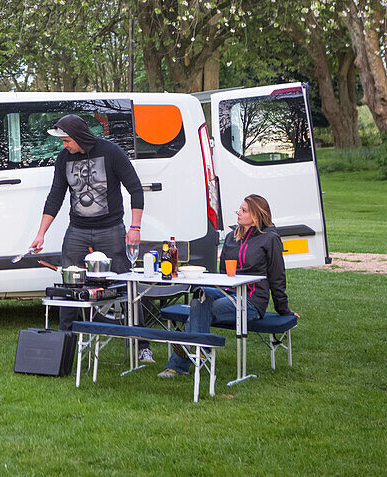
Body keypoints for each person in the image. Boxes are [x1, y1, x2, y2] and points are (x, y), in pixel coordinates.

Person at [27, 114, 152, 362]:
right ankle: (64, 344)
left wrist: (135, 228)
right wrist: (41, 233)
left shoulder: (111, 152)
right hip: (78, 230)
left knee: (126, 285)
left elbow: (135, 189)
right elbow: (55, 197)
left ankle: (142, 345)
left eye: (66, 140)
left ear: (79, 137)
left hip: (111, 228)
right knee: (68, 286)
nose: (64, 145)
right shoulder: (64, 158)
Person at [158, 193, 298, 378]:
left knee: (201, 308)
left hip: (251, 301)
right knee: (201, 295)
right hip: (227, 293)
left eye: (244, 210)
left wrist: (283, 309)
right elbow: (222, 274)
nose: (238, 213)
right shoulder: (232, 237)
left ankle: (181, 363)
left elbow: (277, 276)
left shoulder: (269, 238)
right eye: (239, 209)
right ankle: (200, 349)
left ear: (256, 216)